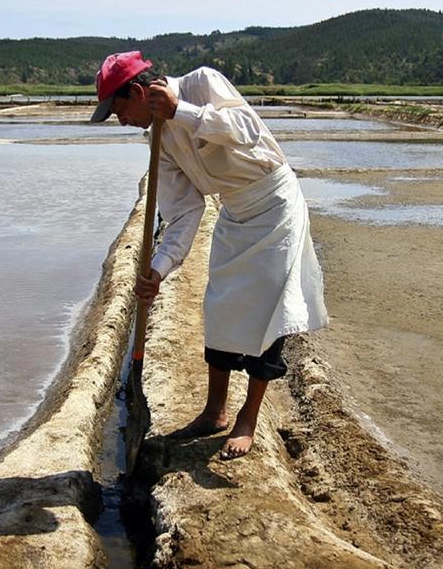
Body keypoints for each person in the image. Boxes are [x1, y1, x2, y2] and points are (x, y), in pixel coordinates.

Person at [91, 51, 328, 459]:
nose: (122, 120)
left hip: (274, 205)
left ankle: (248, 417)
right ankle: (215, 410)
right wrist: (158, 270)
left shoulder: (201, 83)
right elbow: (184, 210)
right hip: (235, 211)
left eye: (118, 110)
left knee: (269, 312)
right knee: (220, 306)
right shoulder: (158, 141)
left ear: (136, 91)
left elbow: (247, 130)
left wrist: (181, 111)